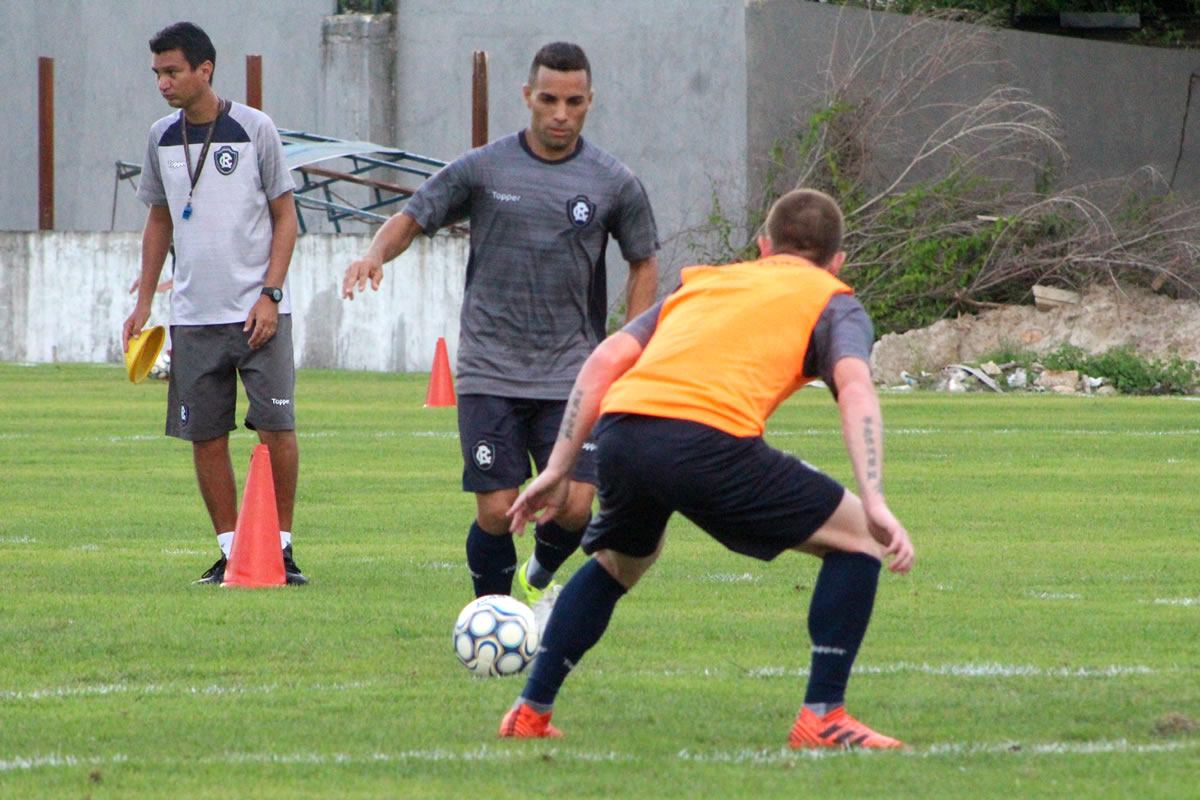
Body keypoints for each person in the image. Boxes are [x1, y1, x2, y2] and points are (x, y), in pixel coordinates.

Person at [500, 188, 916, 748]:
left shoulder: (704, 281)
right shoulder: (834, 298)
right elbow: (856, 386)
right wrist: (876, 498)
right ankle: (823, 716)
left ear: (763, 247)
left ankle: (530, 711)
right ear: (838, 261)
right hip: (706, 440)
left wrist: (558, 466)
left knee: (620, 561)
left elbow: (605, 360)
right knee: (860, 537)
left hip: (623, 430)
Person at [343, 42, 659, 616]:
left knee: (575, 506)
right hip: (491, 367)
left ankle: (538, 576)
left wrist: (629, 342)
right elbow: (412, 216)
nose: (560, 113)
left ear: (590, 102)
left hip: (572, 371)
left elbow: (643, 261)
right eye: (549, 100)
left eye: (574, 101)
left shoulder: (613, 181)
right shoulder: (485, 168)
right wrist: (373, 254)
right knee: (497, 510)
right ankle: (491, 615)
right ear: (527, 98)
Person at [122, 21, 307, 585]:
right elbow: (159, 218)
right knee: (205, 434)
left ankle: (281, 547)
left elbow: (286, 217)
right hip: (193, 315)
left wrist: (270, 294)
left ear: (205, 70)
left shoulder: (256, 129)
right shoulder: (160, 136)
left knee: (276, 429)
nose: (163, 83)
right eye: (157, 73)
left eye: (172, 71)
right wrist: (146, 296)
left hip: (258, 313)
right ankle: (232, 551)